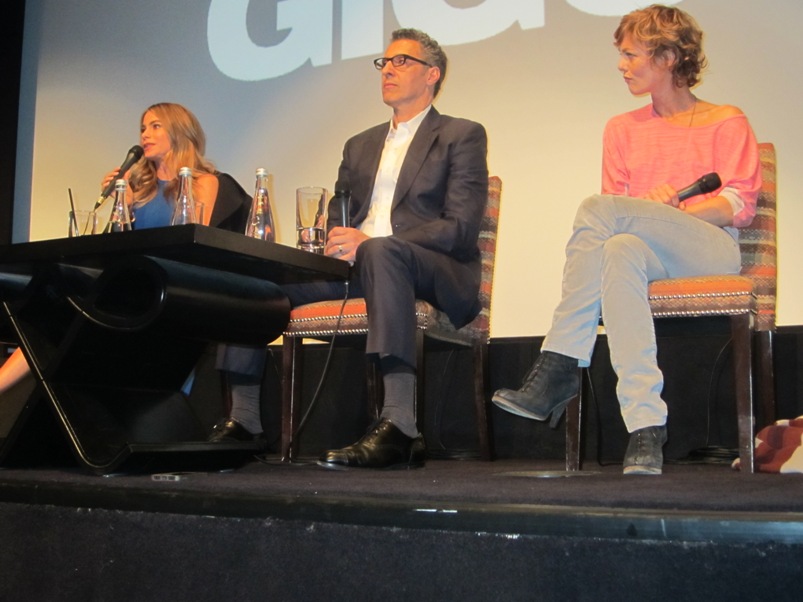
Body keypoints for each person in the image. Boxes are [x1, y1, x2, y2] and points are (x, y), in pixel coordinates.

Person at [492, 4, 761, 475]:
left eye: (632, 55)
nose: (622, 65)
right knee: (616, 249)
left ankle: (558, 364)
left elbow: (738, 202)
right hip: (644, 251)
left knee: (598, 210)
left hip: (710, 247)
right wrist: (646, 214)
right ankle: (646, 427)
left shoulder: (726, 119)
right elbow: (616, 220)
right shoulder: (621, 129)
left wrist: (671, 210)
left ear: (669, 57)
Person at [215, 28, 489, 468]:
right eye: (384, 62)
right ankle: (243, 421)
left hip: (433, 269)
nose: (389, 70)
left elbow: (459, 227)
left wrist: (375, 243)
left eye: (402, 62)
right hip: (360, 268)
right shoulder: (358, 145)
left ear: (432, 74)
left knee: (381, 251)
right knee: (257, 276)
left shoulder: (461, 135)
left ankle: (401, 425)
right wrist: (329, 237)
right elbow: (341, 213)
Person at [0, 103, 254, 423]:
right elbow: (118, 250)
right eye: (142, 128)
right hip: (133, 287)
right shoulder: (137, 189)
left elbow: (195, 241)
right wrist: (125, 204)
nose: (145, 134)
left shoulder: (206, 182)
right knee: (56, 303)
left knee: (73, 308)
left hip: (174, 289)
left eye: (155, 126)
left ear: (180, 132)